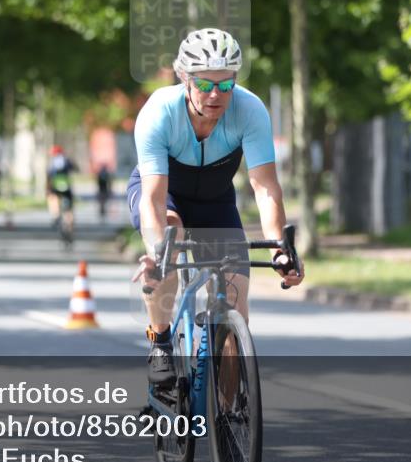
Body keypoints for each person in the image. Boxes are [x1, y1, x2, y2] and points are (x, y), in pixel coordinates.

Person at [128, 28, 303, 387]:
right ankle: (161, 343)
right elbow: (154, 198)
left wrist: (280, 249)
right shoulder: (159, 112)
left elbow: (266, 187)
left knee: (236, 307)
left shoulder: (250, 110)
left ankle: (230, 419)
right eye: (205, 84)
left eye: (225, 85)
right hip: (166, 196)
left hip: (215, 202)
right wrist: (156, 251)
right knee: (169, 238)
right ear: (184, 78)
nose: (215, 95)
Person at [46, 145, 76, 229]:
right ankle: (70, 226)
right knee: (69, 208)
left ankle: (56, 215)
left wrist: (48, 188)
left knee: (52, 198)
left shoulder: (53, 162)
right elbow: (75, 169)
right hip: (66, 186)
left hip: (55, 185)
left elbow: (49, 174)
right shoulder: (67, 160)